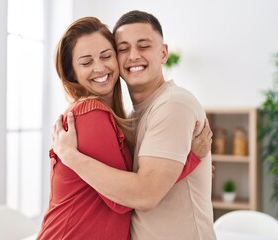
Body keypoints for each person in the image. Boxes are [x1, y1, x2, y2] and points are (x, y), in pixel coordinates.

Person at [38, 16, 212, 240]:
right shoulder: (91, 114)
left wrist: (178, 165)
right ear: (72, 73)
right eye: (86, 62)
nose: (99, 67)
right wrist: (189, 162)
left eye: (106, 55)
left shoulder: (130, 115)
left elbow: (136, 182)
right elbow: (128, 198)